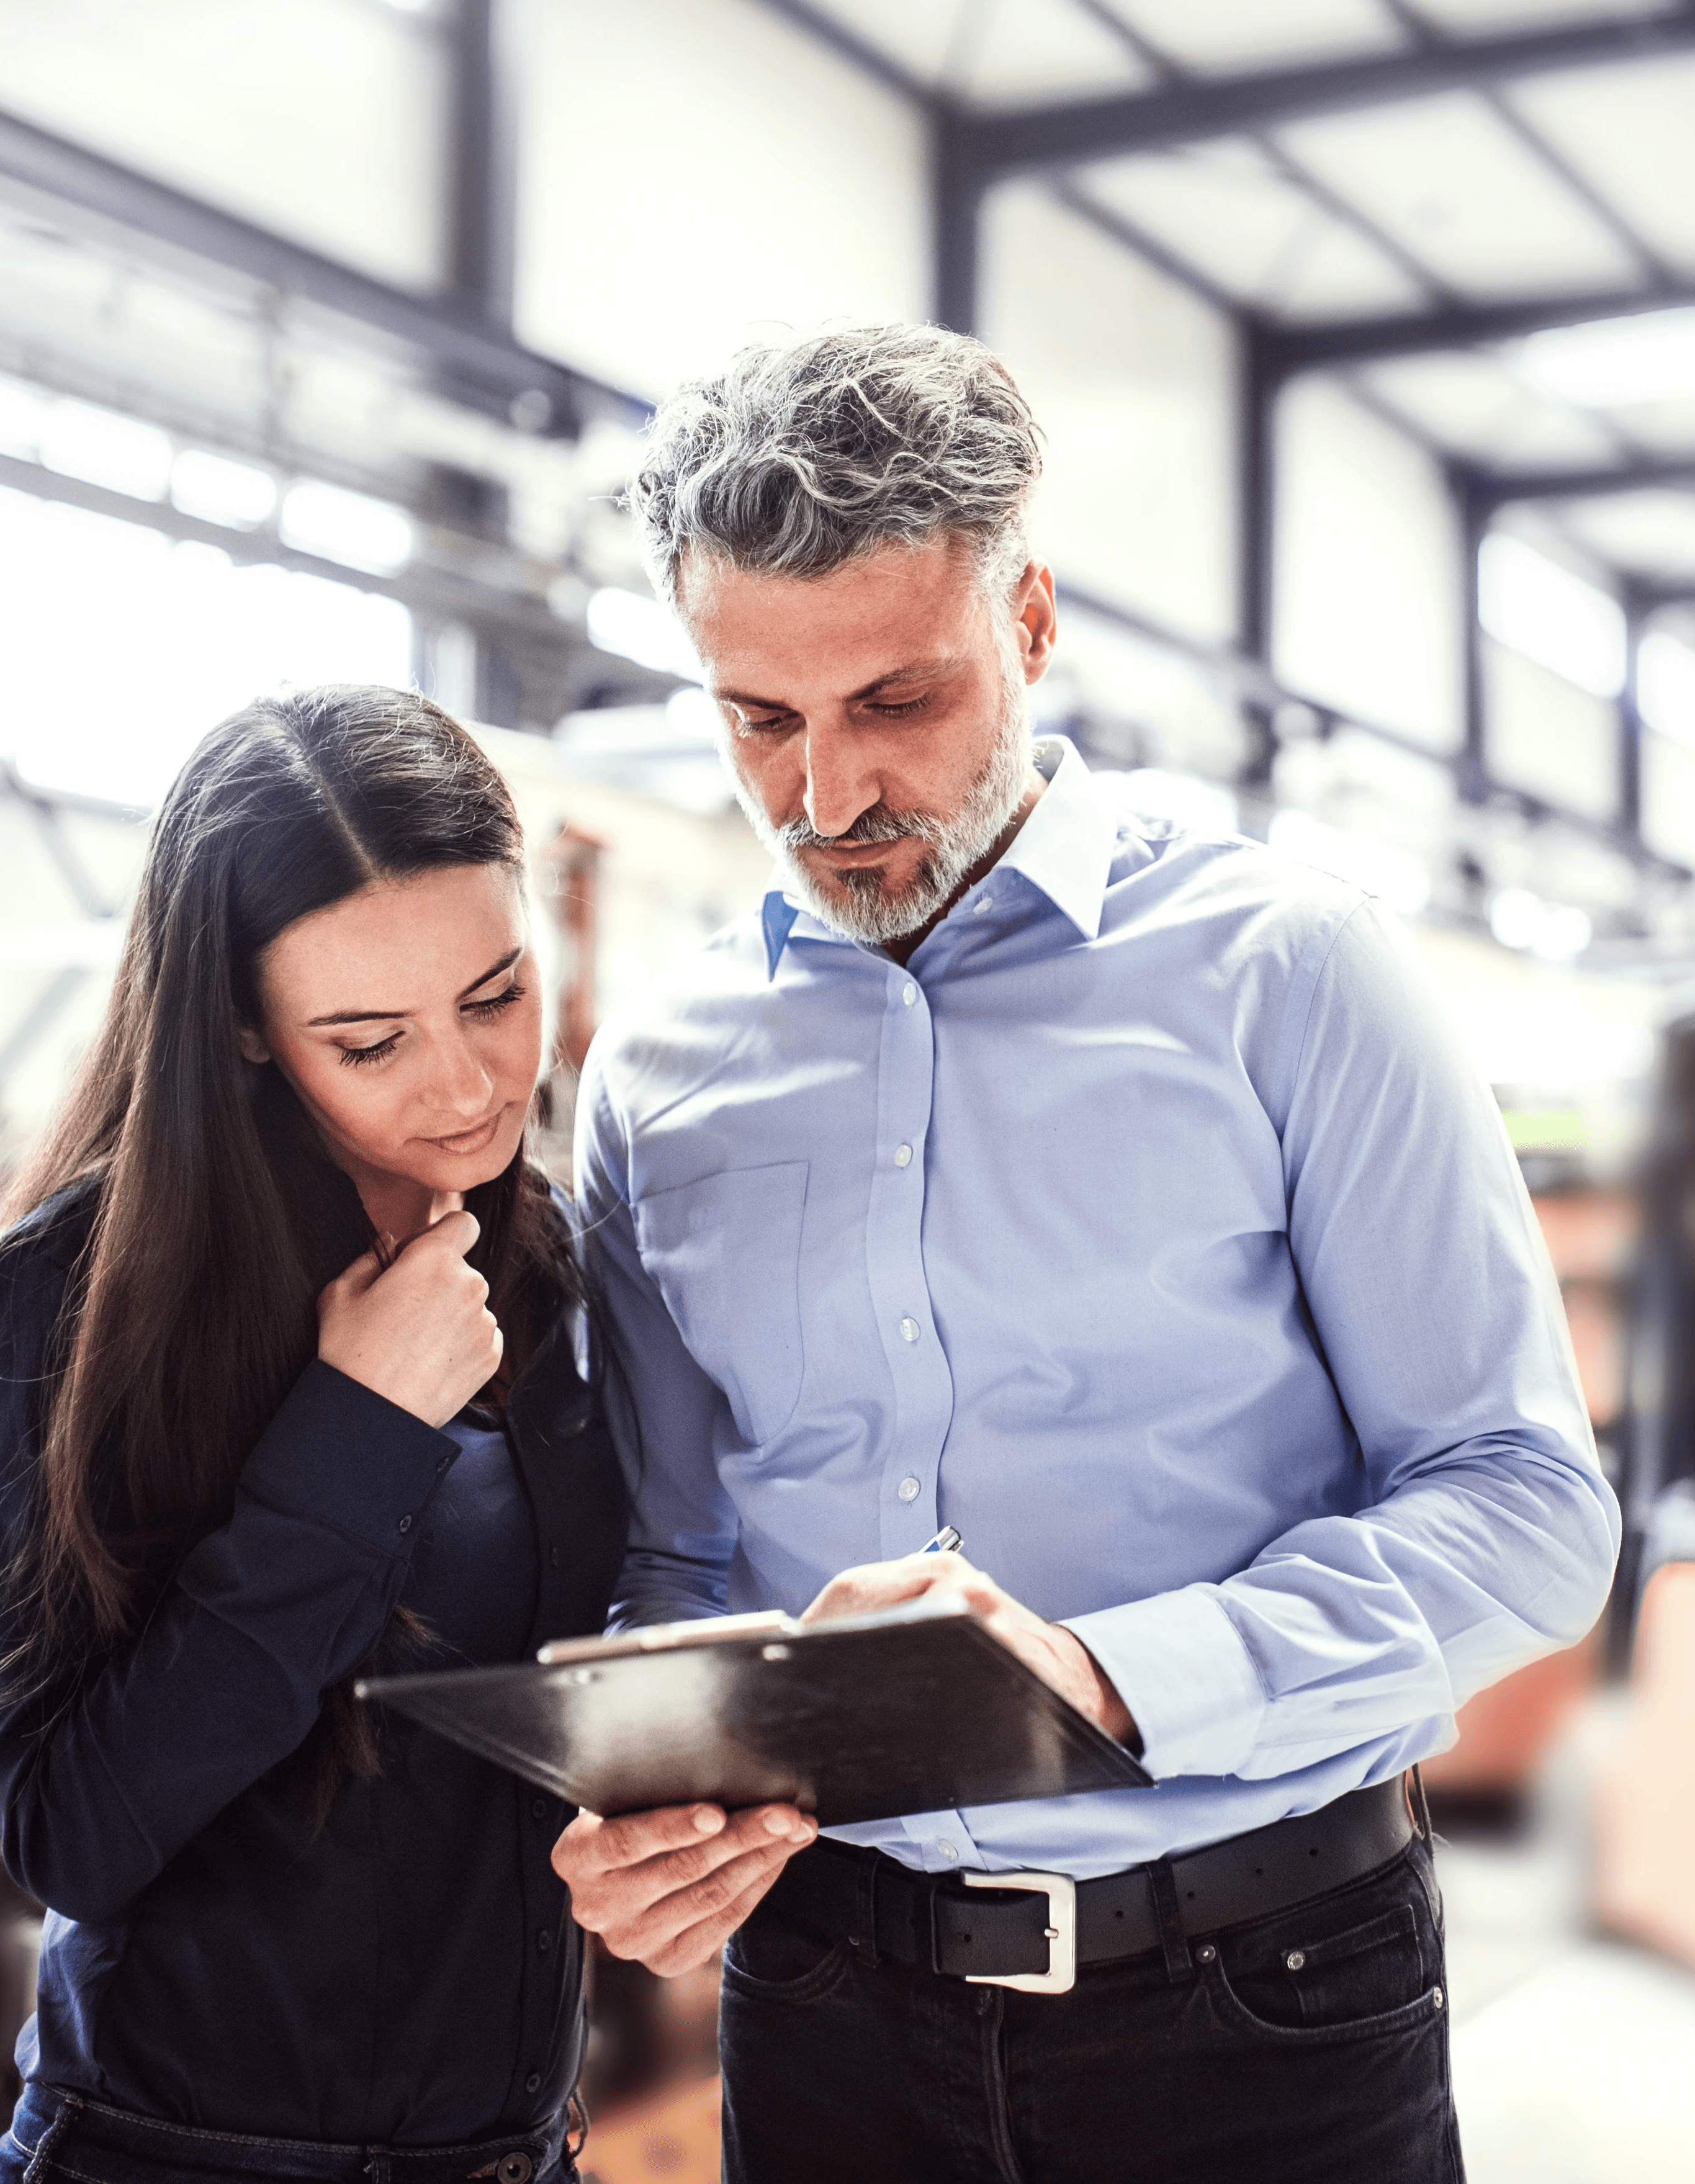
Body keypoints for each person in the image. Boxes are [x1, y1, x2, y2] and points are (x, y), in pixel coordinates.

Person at [551, 325, 1620, 2183]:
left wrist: (1103, 1674)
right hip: (823, 2010)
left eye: (896, 698)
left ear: (1028, 624)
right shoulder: (655, 1075)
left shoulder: (1285, 971)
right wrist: (659, 1784)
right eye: (756, 719)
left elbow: (1525, 1501)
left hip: (1260, 1997)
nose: (825, 799)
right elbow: (670, 1551)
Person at [0, 689, 626, 2184]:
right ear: (244, 1028)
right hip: (167, 2156)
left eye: (497, 995)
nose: (462, 1083)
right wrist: (356, 1430)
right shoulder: (63, 1297)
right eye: (370, 1042)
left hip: (508, 2156)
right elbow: (71, 1831)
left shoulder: (553, 1258)